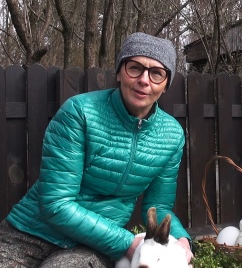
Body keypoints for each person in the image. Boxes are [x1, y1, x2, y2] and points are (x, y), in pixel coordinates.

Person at [0, 32, 193, 267]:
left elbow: (158, 206)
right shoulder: (80, 112)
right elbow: (55, 203)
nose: (144, 80)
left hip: (91, 246)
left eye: (156, 73)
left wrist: (182, 239)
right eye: (135, 68)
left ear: (165, 84)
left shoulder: (171, 135)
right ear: (119, 72)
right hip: (29, 232)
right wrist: (128, 243)